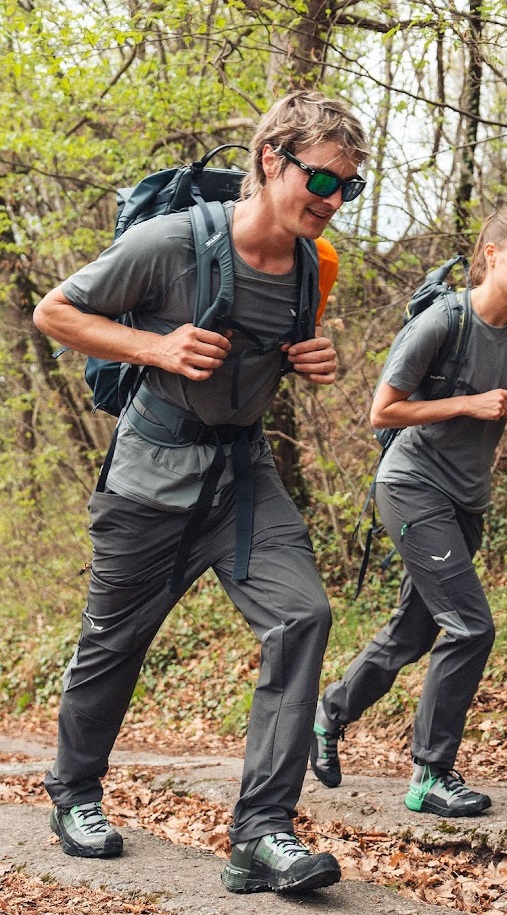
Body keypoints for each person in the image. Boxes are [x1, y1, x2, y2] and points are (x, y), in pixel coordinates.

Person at [33, 89, 368, 894]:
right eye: (321, 181)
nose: (332, 202)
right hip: (150, 479)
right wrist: (154, 345)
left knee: (303, 615)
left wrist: (312, 359)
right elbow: (56, 312)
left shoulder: (312, 265)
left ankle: (261, 832)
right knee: (113, 645)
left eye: (347, 189)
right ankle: (73, 793)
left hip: (241, 482)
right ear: (270, 160)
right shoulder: (171, 242)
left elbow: (284, 347)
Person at [311, 204, 507, 817]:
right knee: (472, 625)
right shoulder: (442, 322)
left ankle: (329, 713)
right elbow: (383, 412)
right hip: (412, 485)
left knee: (415, 629)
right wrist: (465, 406)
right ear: (493, 255)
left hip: (466, 497)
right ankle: (430, 775)